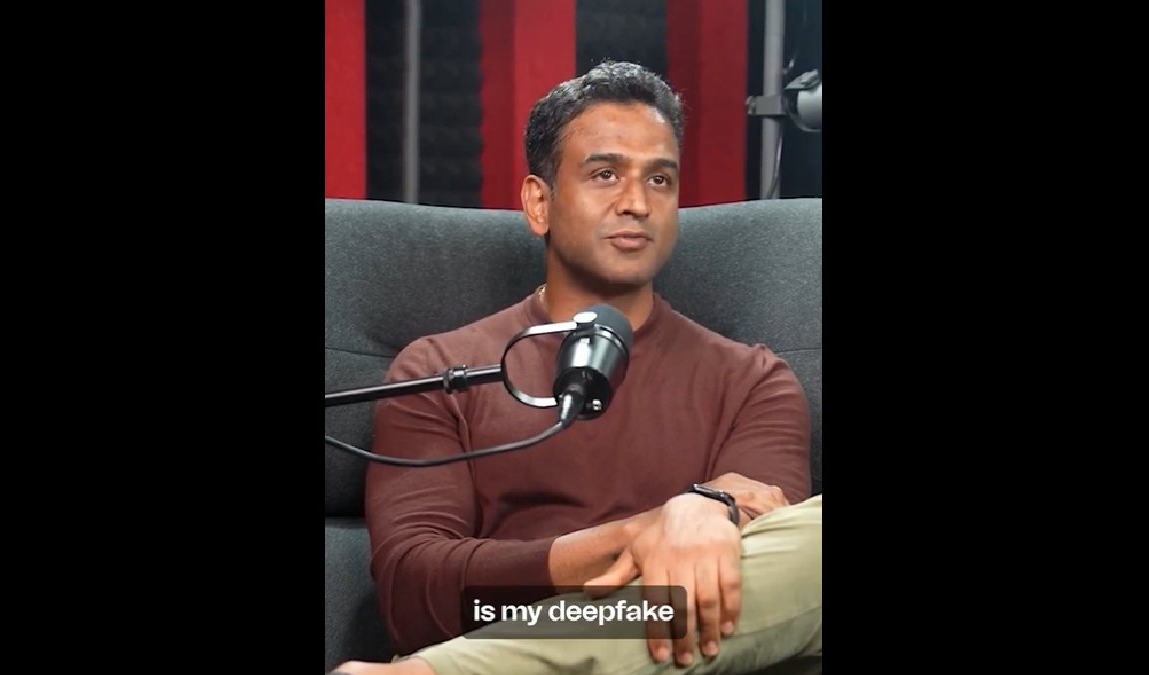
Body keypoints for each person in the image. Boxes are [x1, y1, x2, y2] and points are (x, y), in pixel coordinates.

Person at [333, 60, 822, 675]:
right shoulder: (442, 371)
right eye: (605, 174)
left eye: (660, 180)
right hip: (497, 631)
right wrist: (645, 532)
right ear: (539, 203)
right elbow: (414, 597)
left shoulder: (753, 381)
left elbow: (768, 575)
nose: (637, 203)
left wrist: (701, 518)